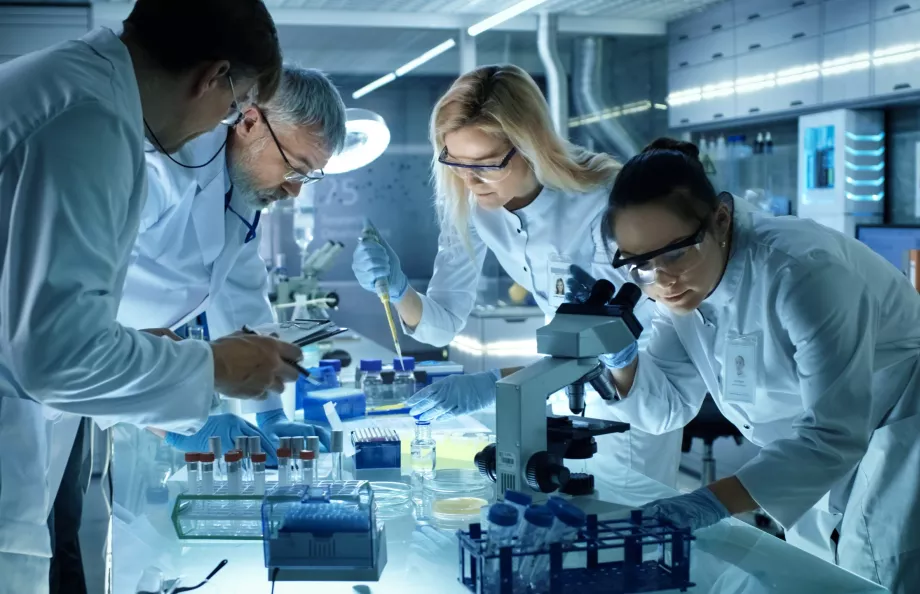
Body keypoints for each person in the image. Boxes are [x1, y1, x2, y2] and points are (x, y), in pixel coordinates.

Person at [0, 1, 299, 590]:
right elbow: (58, 360)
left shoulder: (72, 87)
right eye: (234, 106)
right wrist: (209, 367)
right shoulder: (91, 119)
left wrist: (145, 353)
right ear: (213, 77)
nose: (221, 127)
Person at [594, 137, 920, 593]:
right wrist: (622, 358)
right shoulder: (681, 289)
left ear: (720, 220)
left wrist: (708, 502)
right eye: (640, 265)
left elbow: (836, 432)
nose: (661, 280)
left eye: (674, 253)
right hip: (804, 454)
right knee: (815, 575)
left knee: (875, 574)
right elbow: (667, 407)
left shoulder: (802, 272)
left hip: (898, 429)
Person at [351, 64, 683, 488]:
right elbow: (441, 324)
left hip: (635, 392)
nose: (470, 181)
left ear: (531, 146)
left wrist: (493, 385)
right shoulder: (473, 203)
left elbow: (615, 342)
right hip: (557, 389)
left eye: (487, 165)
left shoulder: (604, 203)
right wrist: (398, 289)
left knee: (630, 531)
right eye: (454, 162)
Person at [120, 64, 348, 457]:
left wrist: (269, 412)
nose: (294, 190)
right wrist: (177, 424)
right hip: (98, 379)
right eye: (294, 168)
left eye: (307, 177)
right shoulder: (160, 168)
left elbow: (239, 293)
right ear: (249, 122)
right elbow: (83, 328)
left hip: (135, 376)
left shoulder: (242, 191)